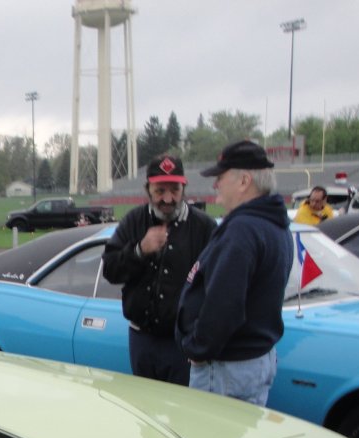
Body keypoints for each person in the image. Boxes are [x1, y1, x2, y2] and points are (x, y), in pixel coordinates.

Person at [176, 140, 293, 407]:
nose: (216, 184)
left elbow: (224, 305)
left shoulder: (243, 229)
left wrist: (197, 349)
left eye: (221, 177)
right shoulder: (272, 223)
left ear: (244, 181)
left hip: (227, 368)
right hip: (250, 362)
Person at [102, 154, 217, 385]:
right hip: (142, 339)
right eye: (160, 191)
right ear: (148, 189)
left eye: (174, 190)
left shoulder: (203, 227)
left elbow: (216, 286)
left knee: (180, 413)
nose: (168, 198)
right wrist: (139, 250)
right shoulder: (134, 221)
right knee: (144, 412)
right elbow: (110, 270)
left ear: (184, 188)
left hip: (182, 345)